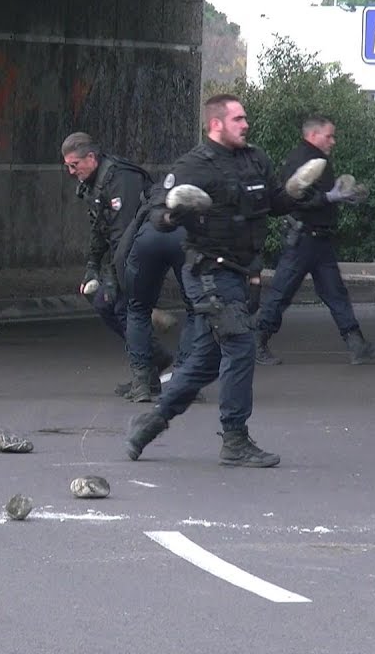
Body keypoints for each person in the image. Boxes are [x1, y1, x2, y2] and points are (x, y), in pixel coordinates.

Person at [124, 94, 318, 467]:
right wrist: (175, 211)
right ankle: (235, 439)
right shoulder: (193, 165)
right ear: (216, 124)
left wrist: (298, 191)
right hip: (209, 272)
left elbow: (275, 203)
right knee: (242, 344)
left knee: (206, 362)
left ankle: (148, 425)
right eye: (238, 119)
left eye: (245, 119)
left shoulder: (254, 158)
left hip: (243, 272)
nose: (246, 125)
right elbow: (157, 215)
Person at [252, 115, 375, 367]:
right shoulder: (301, 160)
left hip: (318, 239)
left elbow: (320, 196)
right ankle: (256, 342)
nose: (333, 141)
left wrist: (343, 196)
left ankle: (357, 345)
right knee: (281, 293)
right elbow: (295, 199)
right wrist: (330, 198)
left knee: (335, 293)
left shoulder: (319, 159)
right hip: (303, 239)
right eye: (329, 135)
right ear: (313, 135)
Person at [60, 132, 168, 396]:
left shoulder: (121, 179)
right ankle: (152, 360)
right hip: (126, 250)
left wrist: (111, 278)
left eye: (75, 165)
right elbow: (100, 229)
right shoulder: (94, 184)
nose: (72, 172)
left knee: (123, 307)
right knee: (104, 304)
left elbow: (125, 235)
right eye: (68, 167)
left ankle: (146, 372)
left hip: (150, 246)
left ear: (91, 158)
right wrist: (91, 266)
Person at [111, 183, 199, 403]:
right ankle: (182, 380)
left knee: (138, 309)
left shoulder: (147, 203)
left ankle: (141, 382)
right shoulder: (196, 190)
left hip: (149, 236)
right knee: (197, 309)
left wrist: (124, 285)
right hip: (184, 236)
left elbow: (123, 250)